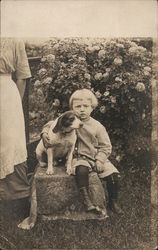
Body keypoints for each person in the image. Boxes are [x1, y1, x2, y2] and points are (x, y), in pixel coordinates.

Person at [42, 88, 122, 214]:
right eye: (78, 106)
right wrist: (44, 131)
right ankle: (87, 201)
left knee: (113, 174)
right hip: (79, 157)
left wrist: (100, 160)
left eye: (86, 106)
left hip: (96, 156)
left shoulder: (97, 126)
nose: (82, 109)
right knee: (81, 170)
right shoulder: (70, 120)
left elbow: (106, 146)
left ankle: (113, 201)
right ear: (72, 108)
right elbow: (53, 123)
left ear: (92, 107)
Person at [0, 38, 36, 229]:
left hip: (5, 93)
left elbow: (22, 75)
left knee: (10, 142)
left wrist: (14, 103)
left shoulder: (14, 37)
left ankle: (15, 198)